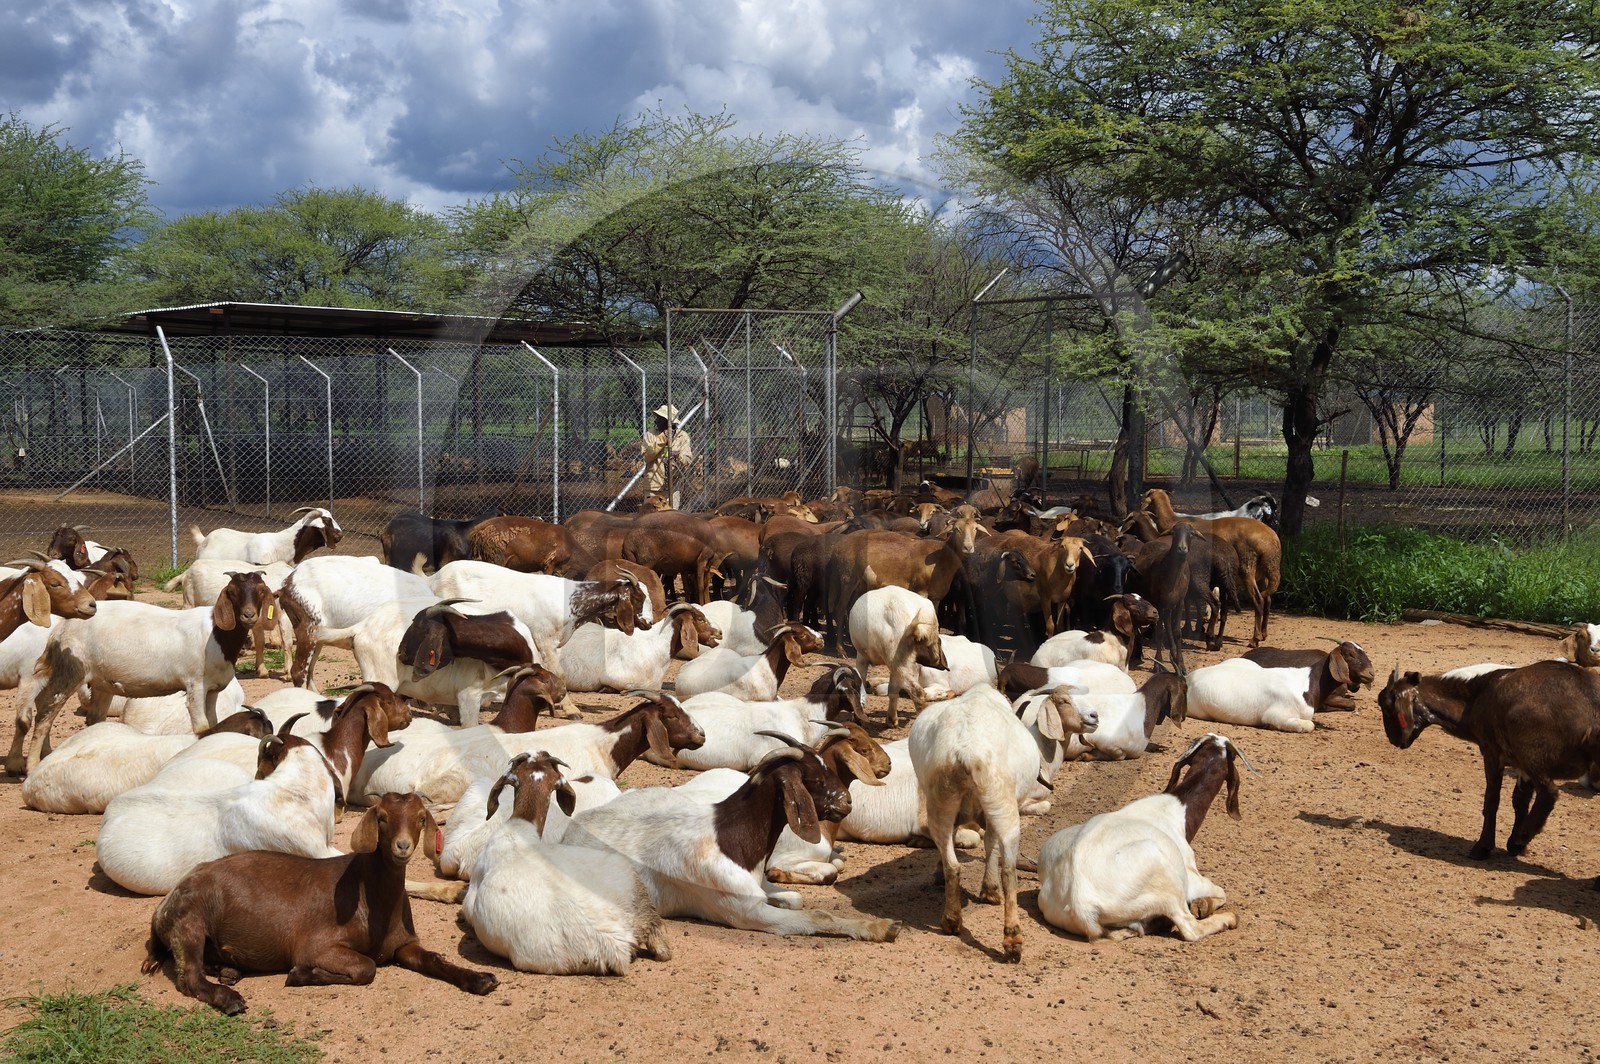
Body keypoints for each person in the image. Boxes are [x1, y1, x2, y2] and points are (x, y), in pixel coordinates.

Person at [642, 403, 692, 509]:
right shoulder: (651, 434)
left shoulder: (682, 436)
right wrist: (663, 438)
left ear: (669, 422)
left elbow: (687, 460)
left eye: (659, 419)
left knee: (671, 519)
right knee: (651, 518)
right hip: (653, 486)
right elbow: (647, 457)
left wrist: (678, 456)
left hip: (672, 487)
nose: (656, 421)